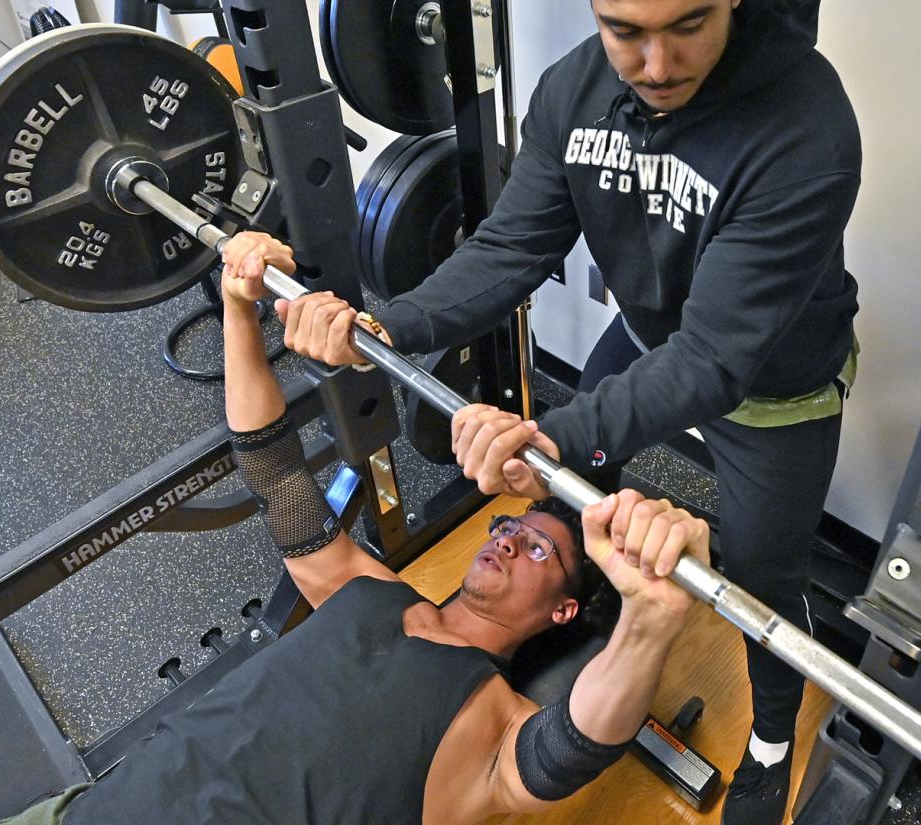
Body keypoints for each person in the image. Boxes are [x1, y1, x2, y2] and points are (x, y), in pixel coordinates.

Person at [279, 2, 860, 822]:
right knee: (576, 474)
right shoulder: (574, 90)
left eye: (686, 25)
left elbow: (715, 360)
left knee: (762, 578)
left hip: (773, 386)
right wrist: (390, 324)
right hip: (652, 336)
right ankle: (572, 613)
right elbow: (511, 246)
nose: (655, 63)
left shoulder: (806, 125)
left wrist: (554, 431)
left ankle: (770, 740)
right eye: (626, 30)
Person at [0, 233, 711, 825]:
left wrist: (648, 620)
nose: (511, 537)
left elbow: (568, 751)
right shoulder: (366, 589)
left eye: (541, 550)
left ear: (563, 609)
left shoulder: (493, 721)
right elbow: (274, 473)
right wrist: (241, 312)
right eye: (516, 524)